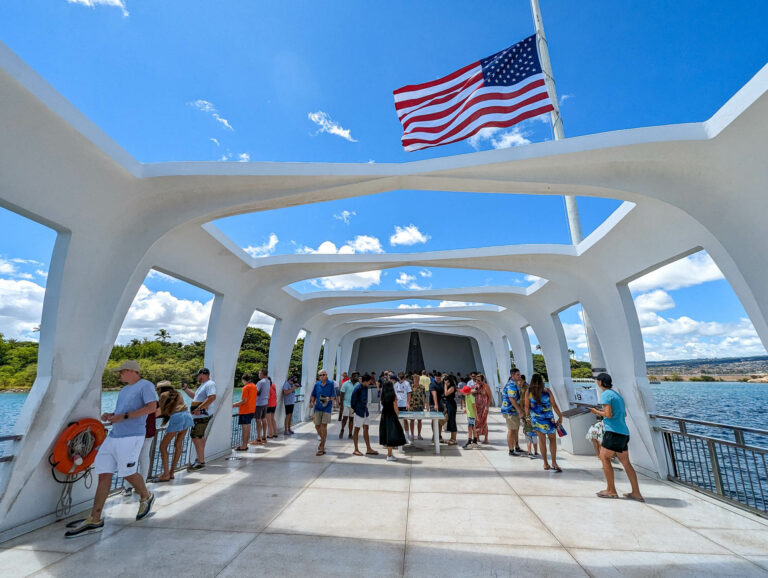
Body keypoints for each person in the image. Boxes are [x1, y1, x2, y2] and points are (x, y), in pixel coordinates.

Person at [65, 360, 157, 538]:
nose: (119, 375)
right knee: (104, 473)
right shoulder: (124, 390)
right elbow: (123, 413)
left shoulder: (145, 385)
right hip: (114, 436)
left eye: (120, 372)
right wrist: (112, 416)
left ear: (131, 371)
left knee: (127, 472)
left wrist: (124, 416)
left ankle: (146, 496)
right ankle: (95, 518)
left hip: (132, 436)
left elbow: (152, 407)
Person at [590, 373, 644, 501]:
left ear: (600, 382)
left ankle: (611, 490)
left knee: (603, 457)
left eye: (597, 380)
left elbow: (608, 414)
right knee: (626, 463)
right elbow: (623, 414)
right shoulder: (616, 395)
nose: (597, 382)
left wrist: (596, 411)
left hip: (613, 432)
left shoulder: (606, 395)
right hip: (623, 432)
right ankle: (636, 492)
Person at [152, 381, 194, 480]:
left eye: (157, 389)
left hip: (177, 417)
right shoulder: (177, 393)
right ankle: (171, 472)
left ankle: (166, 475)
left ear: (160, 389)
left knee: (163, 446)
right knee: (178, 444)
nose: (157, 391)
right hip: (187, 416)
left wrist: (146, 418)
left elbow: (160, 411)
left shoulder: (163, 395)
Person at [525, 373, 563, 472]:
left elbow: (526, 406)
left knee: (541, 441)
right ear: (542, 381)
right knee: (552, 440)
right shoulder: (547, 391)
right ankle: (554, 462)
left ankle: (545, 463)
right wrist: (560, 415)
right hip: (549, 419)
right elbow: (554, 405)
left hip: (536, 420)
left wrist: (527, 418)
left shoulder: (528, 392)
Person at [181, 367, 217, 471]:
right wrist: (185, 389)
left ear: (203, 374)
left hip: (201, 416)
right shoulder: (203, 385)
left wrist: (199, 408)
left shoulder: (210, 384)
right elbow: (195, 396)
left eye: (198, 375)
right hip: (199, 416)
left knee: (195, 437)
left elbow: (212, 397)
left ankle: (201, 462)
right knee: (200, 437)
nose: (197, 377)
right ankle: (200, 459)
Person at [122, 412, 155, 495]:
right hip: (149, 431)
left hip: (137, 433)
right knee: (144, 457)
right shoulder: (153, 402)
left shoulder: (136, 401)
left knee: (131, 459)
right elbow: (158, 412)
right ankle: (141, 485)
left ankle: (128, 487)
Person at [350, 374, 379, 456]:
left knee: (366, 428)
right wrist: (355, 409)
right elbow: (353, 400)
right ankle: (355, 449)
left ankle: (368, 448)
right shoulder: (357, 388)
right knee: (357, 429)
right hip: (359, 411)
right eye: (369, 381)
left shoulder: (366, 387)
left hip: (365, 411)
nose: (370, 382)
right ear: (366, 381)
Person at [379, 379, 407, 461]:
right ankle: (389, 455)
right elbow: (395, 407)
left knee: (387, 435)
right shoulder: (393, 396)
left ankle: (390, 454)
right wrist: (398, 415)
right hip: (391, 416)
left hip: (384, 416)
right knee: (392, 434)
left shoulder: (383, 396)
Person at [310, 370, 335, 456]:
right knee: (317, 426)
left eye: (324, 375)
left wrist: (328, 399)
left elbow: (333, 397)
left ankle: (322, 447)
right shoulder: (317, 385)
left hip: (327, 407)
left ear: (327, 375)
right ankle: (323, 440)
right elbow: (313, 394)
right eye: (321, 375)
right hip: (317, 407)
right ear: (319, 376)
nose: (323, 376)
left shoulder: (331, 383)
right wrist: (311, 402)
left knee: (324, 426)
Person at [501, 368, 525, 456]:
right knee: (511, 430)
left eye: (519, 374)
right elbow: (511, 399)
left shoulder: (515, 384)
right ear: (512, 375)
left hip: (513, 411)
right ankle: (511, 450)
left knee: (516, 429)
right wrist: (519, 410)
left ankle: (517, 447)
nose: (519, 376)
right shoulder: (511, 385)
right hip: (510, 411)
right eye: (517, 375)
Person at [233, 373, 257, 450]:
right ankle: (245, 445)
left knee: (244, 429)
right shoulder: (254, 386)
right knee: (248, 427)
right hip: (251, 410)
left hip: (245, 410)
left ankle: (243, 446)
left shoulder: (246, 387)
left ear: (244, 380)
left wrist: (234, 405)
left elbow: (244, 400)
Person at [519, 375, 539, 458]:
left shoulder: (527, 389)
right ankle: (535, 452)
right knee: (534, 438)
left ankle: (530, 452)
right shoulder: (534, 391)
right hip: (532, 416)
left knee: (528, 437)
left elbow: (526, 406)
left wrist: (526, 417)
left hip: (527, 415)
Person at [251, 369, 270, 445]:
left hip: (259, 403)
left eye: (259, 373)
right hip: (265, 402)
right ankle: (264, 437)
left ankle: (258, 438)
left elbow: (255, 392)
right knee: (264, 419)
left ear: (262, 374)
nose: (258, 375)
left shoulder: (260, 382)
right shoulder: (268, 381)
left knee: (258, 420)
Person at [473, 373, 492, 445]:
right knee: (476, 421)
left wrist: (487, 407)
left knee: (484, 422)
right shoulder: (476, 386)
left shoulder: (485, 386)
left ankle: (486, 438)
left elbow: (490, 397)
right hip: (476, 407)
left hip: (484, 407)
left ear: (482, 380)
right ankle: (477, 437)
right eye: (476, 380)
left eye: (479, 380)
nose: (477, 382)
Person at [428, 371, 446, 443]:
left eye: (439, 378)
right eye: (437, 378)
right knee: (434, 420)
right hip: (433, 404)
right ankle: (434, 435)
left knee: (440, 421)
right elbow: (434, 395)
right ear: (434, 378)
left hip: (441, 404)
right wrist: (436, 405)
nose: (438, 380)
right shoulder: (432, 384)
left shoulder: (442, 383)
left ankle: (439, 435)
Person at [394, 372, 412, 441]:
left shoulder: (407, 383)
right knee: (397, 421)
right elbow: (394, 395)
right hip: (397, 405)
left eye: (402, 378)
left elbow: (409, 394)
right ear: (398, 377)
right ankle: (397, 436)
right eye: (399, 378)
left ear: (404, 377)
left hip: (404, 404)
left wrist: (408, 403)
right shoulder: (395, 384)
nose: (401, 379)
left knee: (405, 421)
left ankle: (407, 437)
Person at [338, 371, 356, 439]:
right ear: (351, 376)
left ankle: (350, 434)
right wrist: (341, 405)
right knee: (345, 418)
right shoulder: (345, 383)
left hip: (353, 405)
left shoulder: (357, 384)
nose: (356, 377)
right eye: (355, 376)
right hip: (346, 403)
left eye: (357, 375)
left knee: (352, 419)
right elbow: (342, 394)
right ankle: (342, 429)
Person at [442, 374, 458, 445]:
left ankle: (454, 439)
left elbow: (446, 393)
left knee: (452, 421)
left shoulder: (452, 387)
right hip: (448, 404)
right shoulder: (448, 386)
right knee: (449, 421)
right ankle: (451, 438)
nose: (446, 383)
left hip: (452, 404)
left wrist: (445, 386)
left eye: (447, 382)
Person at [409, 372, 425, 440]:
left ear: (419, 379)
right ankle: (412, 435)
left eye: (416, 379)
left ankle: (419, 434)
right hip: (412, 406)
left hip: (420, 406)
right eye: (414, 379)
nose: (415, 380)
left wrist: (424, 405)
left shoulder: (422, 387)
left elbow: (424, 396)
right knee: (412, 421)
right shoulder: (410, 387)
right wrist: (408, 404)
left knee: (419, 421)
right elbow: (408, 396)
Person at [462, 385, 478, 449]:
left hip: (472, 415)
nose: (463, 393)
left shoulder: (471, 397)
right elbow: (467, 404)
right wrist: (466, 409)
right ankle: (475, 441)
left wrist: (476, 416)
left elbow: (474, 407)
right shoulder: (467, 396)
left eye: (464, 392)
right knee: (473, 428)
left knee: (470, 428)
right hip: (469, 415)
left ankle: (469, 441)